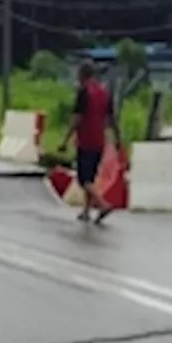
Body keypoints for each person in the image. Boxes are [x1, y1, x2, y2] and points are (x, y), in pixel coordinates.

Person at [58, 60, 123, 224]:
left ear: (82, 75)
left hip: (85, 141)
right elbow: (111, 118)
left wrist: (65, 140)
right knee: (91, 178)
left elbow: (77, 118)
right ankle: (86, 211)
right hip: (99, 141)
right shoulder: (104, 92)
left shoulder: (83, 92)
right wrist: (118, 139)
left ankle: (102, 204)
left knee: (83, 179)